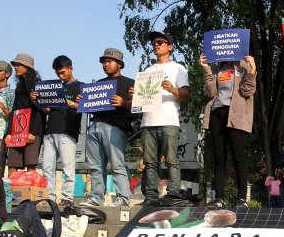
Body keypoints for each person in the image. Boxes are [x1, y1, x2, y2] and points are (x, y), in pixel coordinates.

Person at [135, 32, 190, 206]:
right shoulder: (147, 71)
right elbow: (140, 101)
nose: (156, 45)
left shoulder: (178, 68)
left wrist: (174, 90)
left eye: (160, 42)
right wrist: (135, 95)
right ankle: (151, 197)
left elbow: (187, 96)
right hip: (148, 122)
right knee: (150, 162)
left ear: (170, 46)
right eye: (154, 42)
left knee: (171, 160)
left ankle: (173, 194)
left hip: (168, 120)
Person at [79, 48, 135, 208]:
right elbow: (86, 106)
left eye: (109, 61)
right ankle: (96, 198)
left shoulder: (129, 83)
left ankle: (123, 198)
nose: (106, 64)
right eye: (104, 61)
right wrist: (81, 100)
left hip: (115, 127)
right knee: (95, 166)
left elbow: (139, 106)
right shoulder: (97, 85)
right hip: (95, 126)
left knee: (117, 164)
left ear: (120, 64)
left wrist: (124, 102)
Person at [199, 52, 257, 207]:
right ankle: (219, 198)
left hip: (235, 114)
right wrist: (206, 69)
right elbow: (211, 92)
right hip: (216, 113)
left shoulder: (243, 64)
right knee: (219, 158)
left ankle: (242, 199)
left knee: (238, 156)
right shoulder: (219, 67)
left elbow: (247, 91)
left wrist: (252, 70)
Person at [31, 55, 83, 207]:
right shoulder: (54, 87)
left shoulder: (81, 86)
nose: (60, 76)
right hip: (50, 130)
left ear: (70, 68)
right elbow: (47, 110)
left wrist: (71, 103)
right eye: (57, 73)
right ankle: (49, 197)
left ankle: (67, 198)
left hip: (68, 131)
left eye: (63, 72)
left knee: (68, 167)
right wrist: (37, 101)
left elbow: (85, 107)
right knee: (47, 166)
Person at [5, 54, 45, 178]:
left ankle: (30, 194)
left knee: (31, 164)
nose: (15, 67)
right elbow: (14, 110)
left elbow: (40, 110)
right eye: (15, 65)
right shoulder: (19, 86)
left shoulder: (38, 85)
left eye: (19, 64)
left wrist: (33, 132)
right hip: (18, 130)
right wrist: (9, 132)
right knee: (12, 163)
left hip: (33, 131)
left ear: (27, 67)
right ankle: (11, 193)